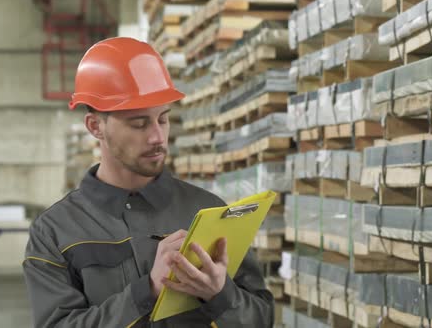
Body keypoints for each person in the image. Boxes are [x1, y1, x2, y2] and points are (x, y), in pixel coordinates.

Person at [22, 37, 274, 327]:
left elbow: (262, 319)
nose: (157, 137)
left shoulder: (209, 211)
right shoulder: (55, 232)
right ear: (95, 126)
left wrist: (220, 295)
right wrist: (147, 291)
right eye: (139, 124)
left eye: (163, 119)